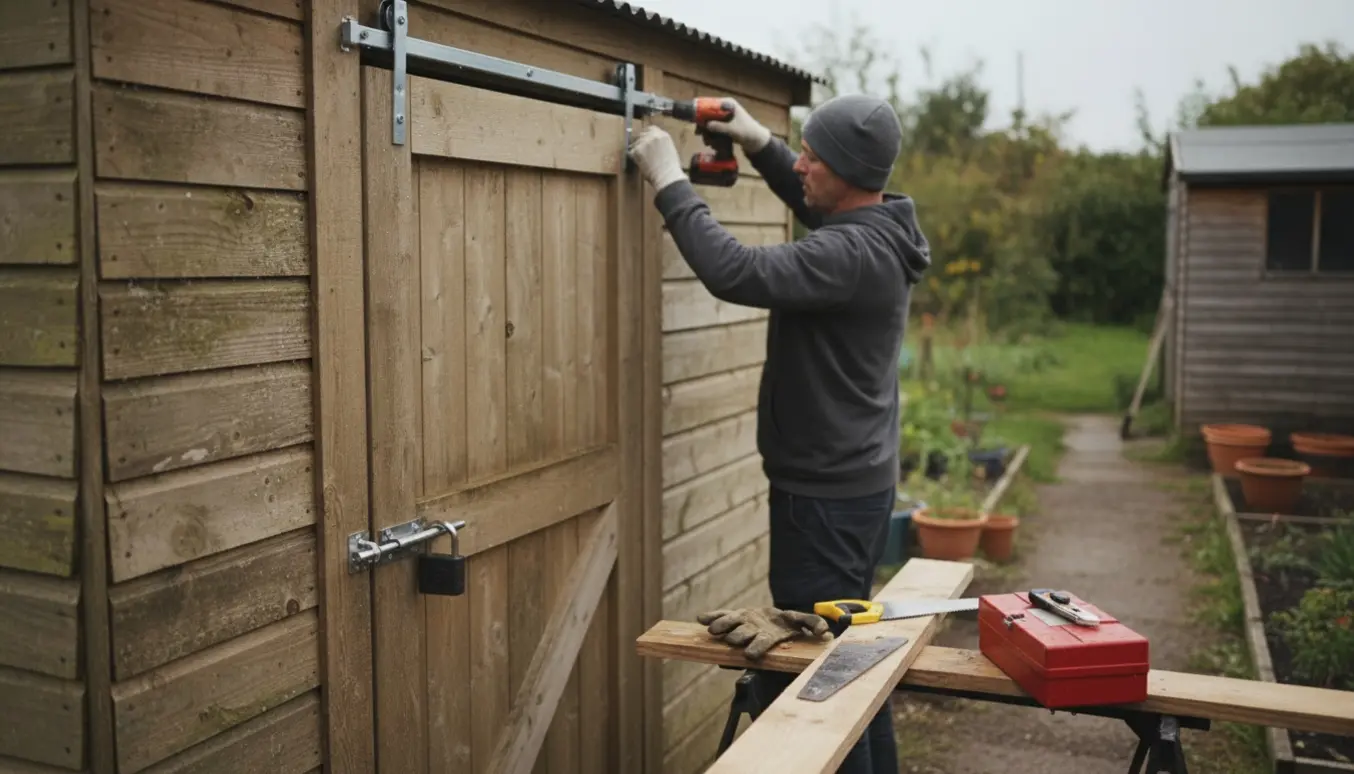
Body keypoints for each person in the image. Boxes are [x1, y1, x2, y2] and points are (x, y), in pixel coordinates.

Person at [629, 93, 931, 773]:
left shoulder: (848, 253)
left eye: (811, 157)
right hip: (854, 485)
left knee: (816, 682)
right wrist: (758, 139)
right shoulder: (883, 229)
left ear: (848, 171)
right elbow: (816, 203)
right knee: (850, 658)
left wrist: (669, 181)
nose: (800, 165)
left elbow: (734, 271)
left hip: (820, 503)